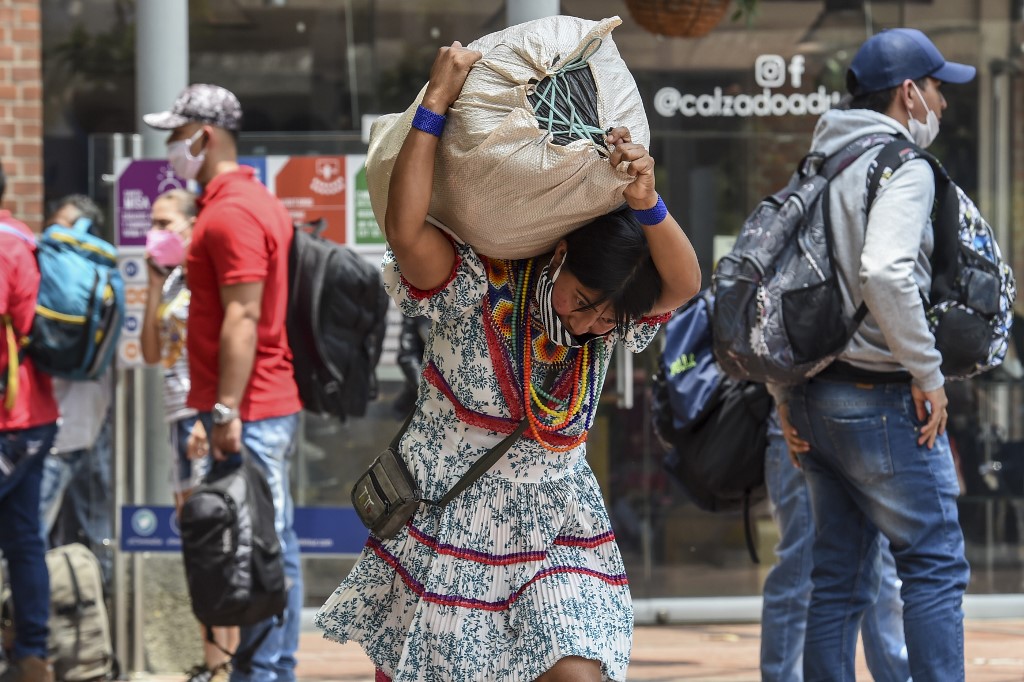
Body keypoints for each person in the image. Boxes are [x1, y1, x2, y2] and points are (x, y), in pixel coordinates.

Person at [314, 42, 701, 681]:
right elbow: (406, 231)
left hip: (557, 519)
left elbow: (683, 285)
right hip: (452, 514)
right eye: (582, 302)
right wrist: (436, 101)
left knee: (580, 670)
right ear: (560, 258)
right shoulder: (476, 285)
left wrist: (648, 203)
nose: (589, 324)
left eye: (608, 317)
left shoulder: (610, 323)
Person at [773, 28, 974, 681]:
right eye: (939, 89)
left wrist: (784, 397)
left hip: (814, 396)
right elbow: (886, 273)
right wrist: (929, 373)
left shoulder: (820, 164)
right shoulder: (902, 166)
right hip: (880, 399)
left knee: (837, 578)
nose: (942, 106)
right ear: (909, 94)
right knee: (935, 565)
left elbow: (781, 291)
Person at [144, 84, 303, 682]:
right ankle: (266, 669)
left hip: (252, 405)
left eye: (175, 136)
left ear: (203, 136)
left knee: (255, 543)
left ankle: (263, 673)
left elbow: (241, 316)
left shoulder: (233, 212)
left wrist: (226, 411)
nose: (169, 149)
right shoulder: (240, 202)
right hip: (247, 403)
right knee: (262, 537)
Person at [140, 188, 238, 682]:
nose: (154, 233)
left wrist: (208, 414)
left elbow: (218, 346)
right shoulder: (175, 278)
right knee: (196, 543)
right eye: (152, 224)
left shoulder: (205, 273)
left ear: (191, 225)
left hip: (199, 416)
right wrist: (155, 284)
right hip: (175, 416)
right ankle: (213, 658)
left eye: (165, 223)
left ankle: (226, 662)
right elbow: (153, 353)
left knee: (216, 538)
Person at [761, 415, 911, 682]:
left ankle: (897, 674)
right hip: (797, 431)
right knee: (802, 569)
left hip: (862, 422)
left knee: (877, 567)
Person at [0, 160, 61, 682]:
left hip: (8, 419)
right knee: (23, 538)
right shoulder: (23, 236)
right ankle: (33, 655)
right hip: (35, 416)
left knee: (23, 538)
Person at [37, 194, 115, 591]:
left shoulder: (59, 273)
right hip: (90, 426)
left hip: (53, 433)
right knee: (93, 529)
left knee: (33, 535)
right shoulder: (105, 277)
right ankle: (99, 618)